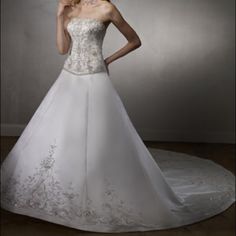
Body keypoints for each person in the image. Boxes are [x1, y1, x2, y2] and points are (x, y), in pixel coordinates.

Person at [1, 0, 235, 233]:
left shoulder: (107, 8)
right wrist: (59, 15)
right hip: (69, 77)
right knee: (63, 136)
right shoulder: (70, 7)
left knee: (99, 137)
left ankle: (95, 185)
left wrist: (108, 60)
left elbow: (135, 41)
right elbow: (63, 49)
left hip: (95, 77)